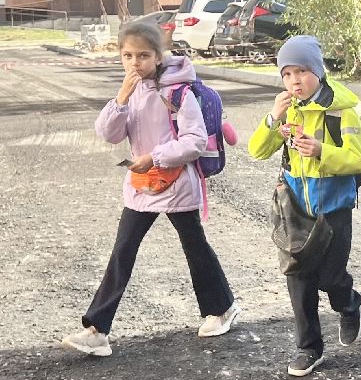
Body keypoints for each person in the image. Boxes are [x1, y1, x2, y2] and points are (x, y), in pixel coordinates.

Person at [63, 21, 238, 358]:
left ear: (158, 56)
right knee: (123, 251)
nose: (134, 62)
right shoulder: (131, 93)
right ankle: (98, 331)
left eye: (143, 55)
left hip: (176, 185)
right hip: (142, 187)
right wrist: (121, 99)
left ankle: (224, 308)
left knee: (195, 249)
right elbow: (109, 134)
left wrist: (155, 157)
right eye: (127, 55)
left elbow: (195, 141)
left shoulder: (178, 92)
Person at [249, 34, 361, 377]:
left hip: (333, 208)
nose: (294, 81)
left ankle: (348, 303)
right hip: (296, 209)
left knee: (330, 277)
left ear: (317, 71)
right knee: (298, 275)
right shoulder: (289, 110)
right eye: (286, 74)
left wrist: (321, 151)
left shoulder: (339, 112)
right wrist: (273, 119)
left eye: (301, 71)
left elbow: (358, 159)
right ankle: (308, 347)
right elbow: (257, 151)